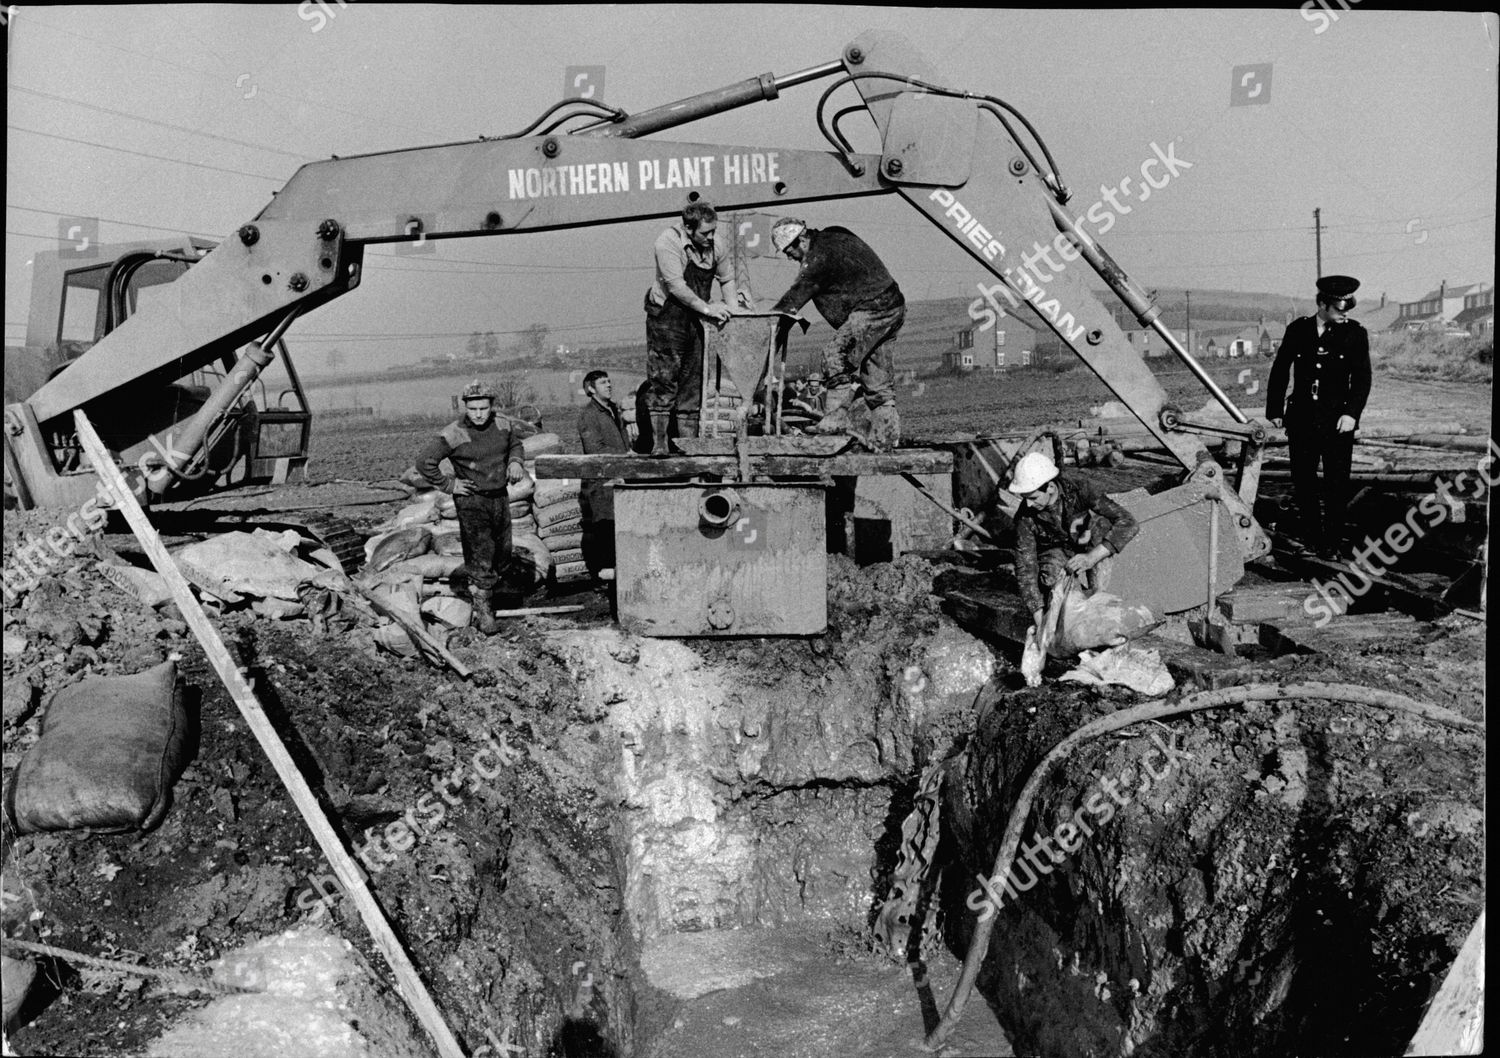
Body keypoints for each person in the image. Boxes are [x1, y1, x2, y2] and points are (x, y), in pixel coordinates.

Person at [769, 218, 906, 450]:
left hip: (873, 308)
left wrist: (770, 330)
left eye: (789, 250)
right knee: (876, 377)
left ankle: (834, 423)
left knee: (835, 356)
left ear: (801, 239)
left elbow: (791, 302)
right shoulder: (833, 234)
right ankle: (886, 436)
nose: (789, 256)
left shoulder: (816, 261)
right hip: (893, 305)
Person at [1265, 275, 1371, 558]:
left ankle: (1332, 544)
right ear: (1322, 304)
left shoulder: (1355, 334)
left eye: (1348, 307)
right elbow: (1280, 369)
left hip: (1338, 422)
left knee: (1337, 485)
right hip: (1302, 419)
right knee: (1304, 482)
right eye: (1339, 308)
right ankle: (1312, 541)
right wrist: (1275, 410)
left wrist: (1352, 415)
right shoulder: (1298, 330)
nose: (1345, 313)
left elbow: (1362, 380)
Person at [416, 380, 526, 635]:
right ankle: (484, 612)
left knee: (502, 551)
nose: (478, 414)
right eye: (473, 408)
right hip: (472, 501)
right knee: (480, 553)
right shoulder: (454, 432)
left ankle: (493, 595)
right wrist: (449, 485)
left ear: (492, 406)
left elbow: (515, 444)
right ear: (465, 407)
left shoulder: (503, 424)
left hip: (499, 496)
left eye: (483, 408)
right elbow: (424, 462)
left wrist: (516, 461)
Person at [644, 201, 752, 456]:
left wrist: (733, 311)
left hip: (697, 318)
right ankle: (660, 445)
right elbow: (677, 287)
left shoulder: (717, 244)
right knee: (664, 379)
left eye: (713, 231)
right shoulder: (667, 242)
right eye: (705, 233)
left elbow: (726, 279)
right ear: (688, 229)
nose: (711, 237)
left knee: (693, 383)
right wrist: (708, 309)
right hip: (667, 318)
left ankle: (689, 447)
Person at [1007, 451, 1139, 634]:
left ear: (1051, 487)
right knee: (1054, 581)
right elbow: (1025, 568)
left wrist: (1092, 558)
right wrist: (1039, 618)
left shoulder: (1081, 490)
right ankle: (1076, 611)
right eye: (1025, 498)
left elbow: (1128, 522)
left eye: (1033, 498)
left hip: (1087, 543)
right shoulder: (1024, 518)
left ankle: (1097, 600)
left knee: (1101, 527)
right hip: (1055, 552)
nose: (1028, 505)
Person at [577, 369, 630, 586]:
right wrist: (624, 456)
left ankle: (619, 577)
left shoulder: (612, 410)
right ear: (591, 389)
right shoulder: (589, 415)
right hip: (601, 481)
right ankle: (606, 581)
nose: (608, 385)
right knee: (605, 528)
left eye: (609, 381)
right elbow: (593, 449)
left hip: (617, 477)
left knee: (619, 527)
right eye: (602, 383)